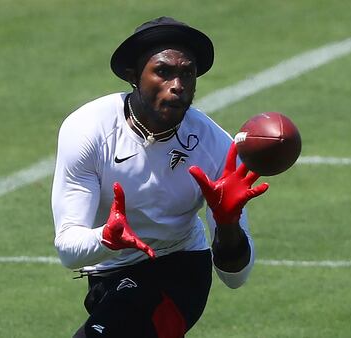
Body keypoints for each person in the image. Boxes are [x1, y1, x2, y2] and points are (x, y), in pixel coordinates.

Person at [51, 16, 269, 338]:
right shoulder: (88, 130)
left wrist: (227, 224)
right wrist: (108, 239)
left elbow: (235, 277)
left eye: (187, 73)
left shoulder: (216, 147)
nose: (178, 85)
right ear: (133, 76)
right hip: (107, 274)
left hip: (178, 269)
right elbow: (68, 250)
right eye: (164, 72)